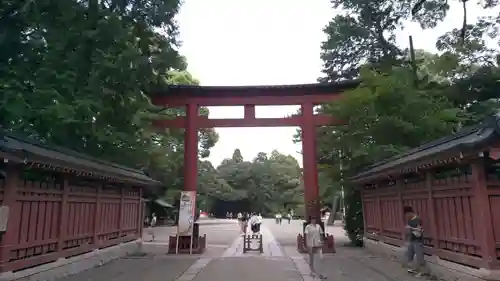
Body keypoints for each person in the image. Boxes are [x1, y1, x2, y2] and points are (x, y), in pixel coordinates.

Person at [403, 206, 426, 277]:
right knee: (409, 255)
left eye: (406, 214)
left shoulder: (418, 219)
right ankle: (413, 269)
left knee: (420, 257)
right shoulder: (409, 220)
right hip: (412, 240)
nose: (406, 216)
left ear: (409, 212)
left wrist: (411, 228)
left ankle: (423, 272)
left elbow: (420, 231)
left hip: (418, 240)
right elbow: (410, 231)